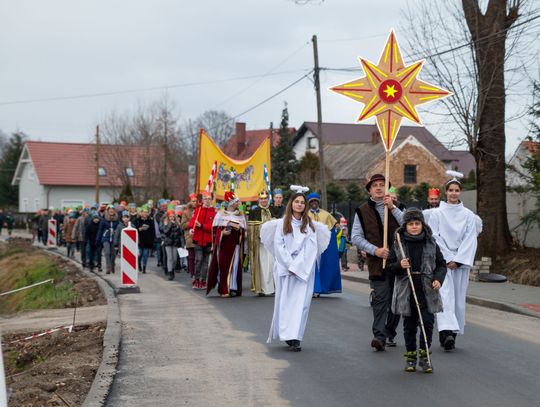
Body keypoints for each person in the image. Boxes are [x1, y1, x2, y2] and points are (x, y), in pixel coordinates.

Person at [261, 187, 331, 352]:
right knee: (286, 302)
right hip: (286, 269)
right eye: (297, 202)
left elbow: (310, 249)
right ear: (291, 203)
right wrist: (289, 265)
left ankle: (296, 336)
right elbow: (279, 246)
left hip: (304, 269)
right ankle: (287, 334)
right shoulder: (281, 224)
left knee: (302, 304)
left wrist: (298, 267)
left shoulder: (310, 226)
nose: (299, 205)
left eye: (302, 202)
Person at [387, 208, 446, 373]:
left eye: (417, 223)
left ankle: (425, 357)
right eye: (411, 224)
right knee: (410, 326)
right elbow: (389, 268)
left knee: (427, 323)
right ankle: (411, 357)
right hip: (407, 290)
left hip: (426, 288)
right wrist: (399, 265)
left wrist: (438, 279)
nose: (414, 227)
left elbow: (441, 264)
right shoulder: (399, 244)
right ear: (405, 226)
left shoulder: (431, 242)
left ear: (422, 224)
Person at [428, 175, 482, 351]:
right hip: (443, 262)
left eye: (456, 190)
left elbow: (470, 238)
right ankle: (446, 333)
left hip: (459, 263)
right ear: (446, 192)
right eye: (450, 190)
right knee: (445, 297)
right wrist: (447, 258)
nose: (453, 193)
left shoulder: (468, 216)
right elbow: (434, 236)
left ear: (460, 192)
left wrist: (458, 260)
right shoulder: (437, 213)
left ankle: (453, 334)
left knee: (458, 299)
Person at [351, 173, 404, 351]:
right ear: (370, 190)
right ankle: (379, 336)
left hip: (399, 261)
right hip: (377, 262)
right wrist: (375, 250)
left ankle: (389, 331)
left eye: (383, 185)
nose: (379, 188)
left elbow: (412, 226)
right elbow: (356, 237)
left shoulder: (398, 207)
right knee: (381, 299)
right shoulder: (362, 211)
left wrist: (393, 209)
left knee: (397, 300)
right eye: (375, 185)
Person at [206, 191, 246, 297]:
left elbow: (243, 230)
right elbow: (215, 231)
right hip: (224, 245)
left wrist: (239, 229)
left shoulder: (240, 215)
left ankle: (233, 287)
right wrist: (223, 232)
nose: (238, 203)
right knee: (224, 266)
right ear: (231, 203)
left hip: (235, 245)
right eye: (236, 201)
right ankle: (224, 287)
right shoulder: (220, 214)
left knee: (235, 266)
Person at [306, 193, 342, 295]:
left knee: (322, 266)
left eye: (315, 201)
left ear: (318, 202)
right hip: (310, 245)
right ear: (309, 203)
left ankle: (321, 288)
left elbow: (332, 231)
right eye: (311, 202)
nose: (314, 203)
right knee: (311, 266)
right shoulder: (306, 215)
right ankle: (313, 288)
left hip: (322, 246)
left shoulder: (326, 215)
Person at [248, 190, 275, 296]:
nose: (263, 201)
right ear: (259, 200)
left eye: (265, 199)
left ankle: (272, 288)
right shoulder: (254, 212)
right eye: (262, 199)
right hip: (260, 243)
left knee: (272, 264)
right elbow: (251, 228)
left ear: (268, 199)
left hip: (272, 243)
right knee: (263, 265)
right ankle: (263, 288)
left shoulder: (272, 210)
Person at [188, 192, 216, 289]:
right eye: (205, 199)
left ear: (211, 200)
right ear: (202, 200)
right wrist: (191, 228)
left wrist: (202, 226)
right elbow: (192, 222)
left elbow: (213, 227)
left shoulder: (214, 212)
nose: (207, 201)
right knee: (198, 260)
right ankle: (196, 279)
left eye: (209, 199)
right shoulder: (198, 210)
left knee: (205, 262)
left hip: (208, 241)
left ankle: (203, 280)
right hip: (198, 239)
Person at [161, 209, 184, 280]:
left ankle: (172, 269)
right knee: (170, 258)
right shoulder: (166, 222)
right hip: (168, 242)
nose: (172, 218)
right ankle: (170, 272)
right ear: (168, 217)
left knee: (175, 259)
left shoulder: (177, 223)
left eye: (173, 216)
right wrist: (170, 224)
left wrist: (179, 226)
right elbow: (165, 232)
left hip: (175, 243)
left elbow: (180, 233)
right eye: (170, 216)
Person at [98, 205, 120, 274]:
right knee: (107, 252)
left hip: (114, 239)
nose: (111, 211)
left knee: (113, 254)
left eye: (112, 209)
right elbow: (100, 230)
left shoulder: (117, 220)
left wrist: (116, 231)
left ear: (114, 211)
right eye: (110, 210)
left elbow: (119, 228)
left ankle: (112, 264)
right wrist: (98, 239)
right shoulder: (104, 219)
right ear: (107, 211)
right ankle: (108, 267)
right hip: (106, 238)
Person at [134, 206, 155, 273]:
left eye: (146, 212)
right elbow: (134, 229)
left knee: (145, 255)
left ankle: (144, 267)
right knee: (140, 255)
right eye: (143, 212)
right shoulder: (137, 220)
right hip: (139, 240)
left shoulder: (150, 221)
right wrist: (139, 229)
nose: (145, 214)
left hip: (147, 240)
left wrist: (152, 240)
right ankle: (139, 264)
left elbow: (153, 231)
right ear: (141, 213)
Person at [181, 194, 198, 278]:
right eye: (193, 201)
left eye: (196, 201)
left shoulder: (200, 210)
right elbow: (183, 225)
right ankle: (192, 273)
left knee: (199, 257)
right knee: (191, 257)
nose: (195, 203)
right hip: (189, 237)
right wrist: (192, 222)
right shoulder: (186, 212)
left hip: (199, 237)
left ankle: (198, 273)